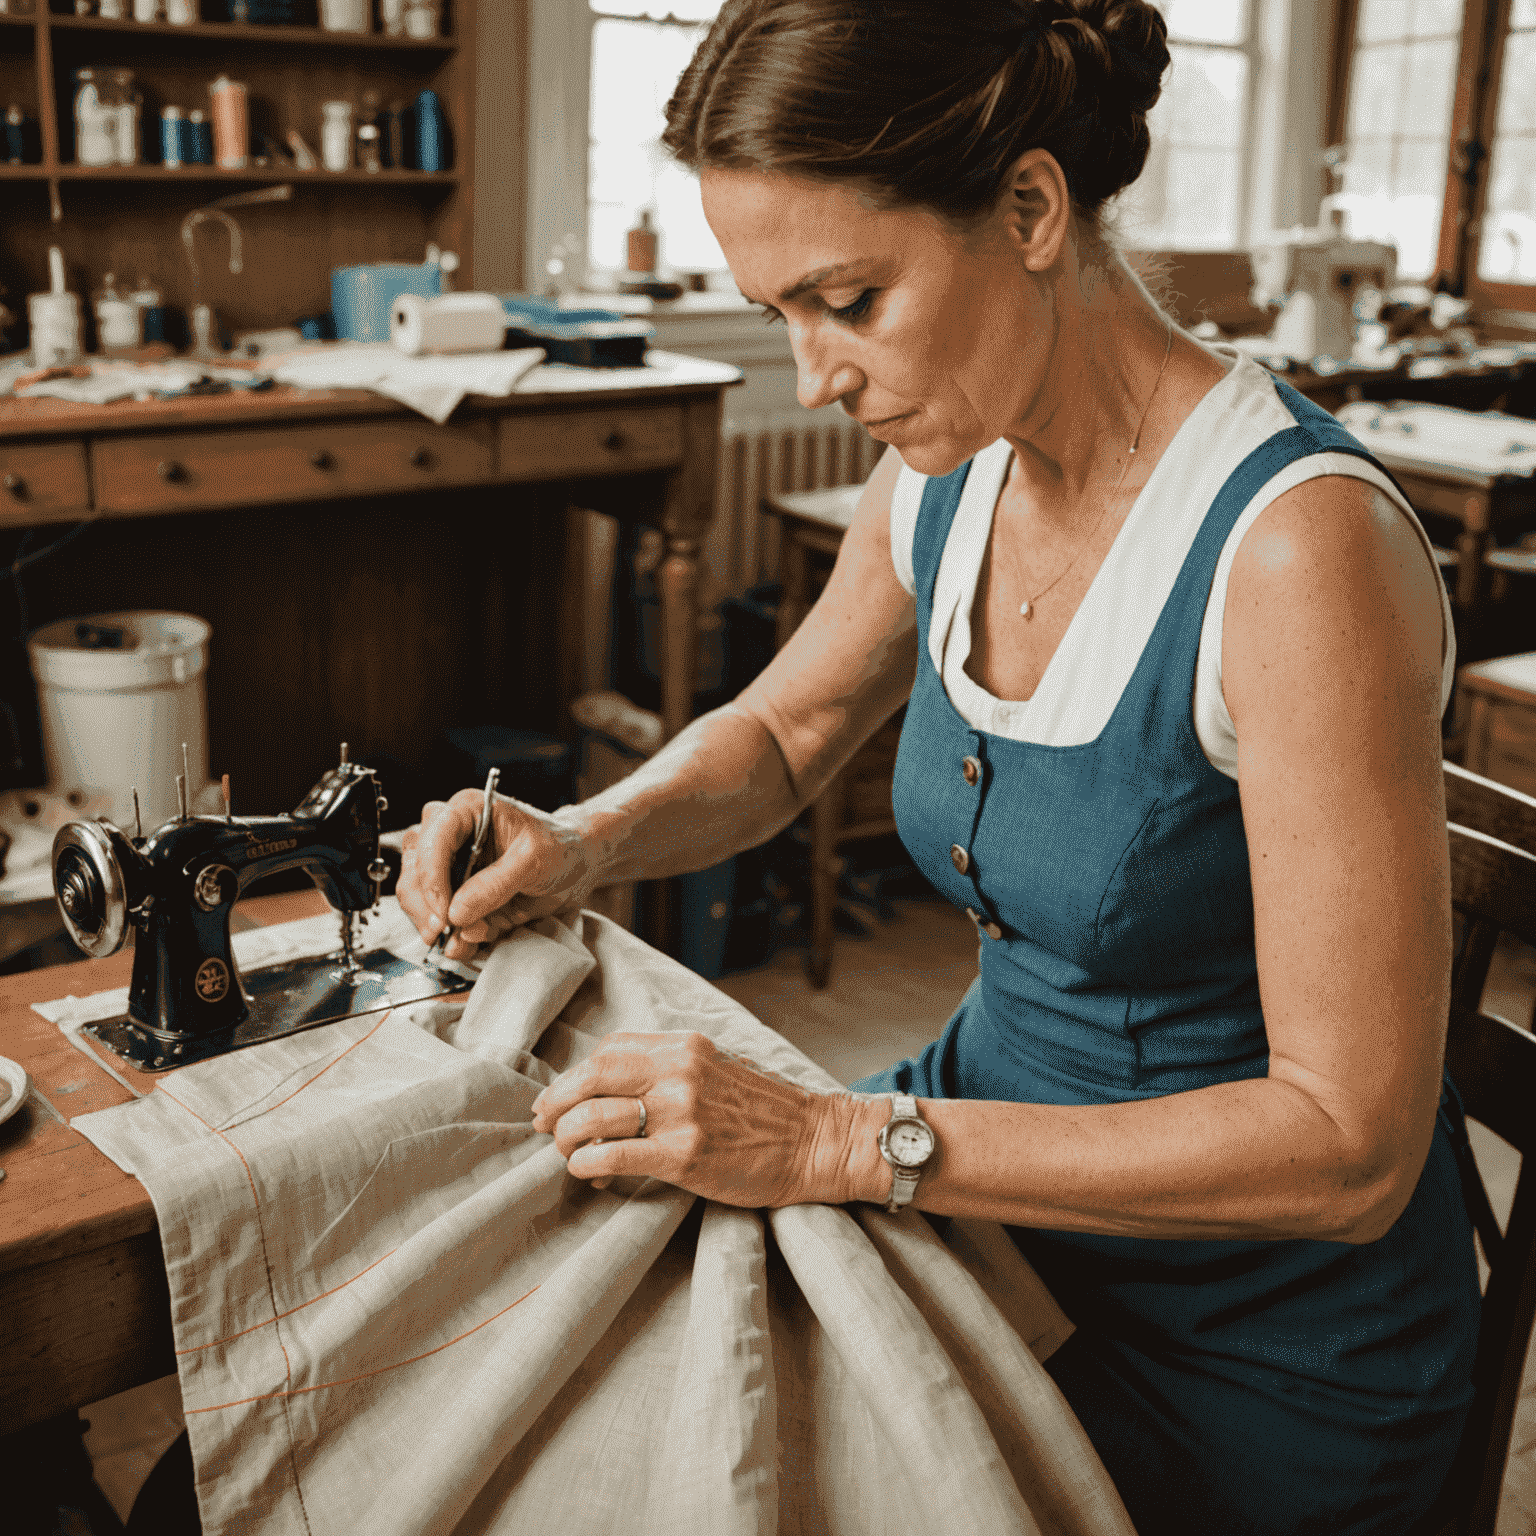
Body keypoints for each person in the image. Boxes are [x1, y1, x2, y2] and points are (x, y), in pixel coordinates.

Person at [399, 2, 1481, 1530]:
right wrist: (580, 839)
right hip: (998, 1222)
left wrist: (844, 1139)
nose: (815, 374)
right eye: (780, 310)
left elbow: (1351, 1147)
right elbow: (784, 732)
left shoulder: (1295, 553)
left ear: (1032, 210)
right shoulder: (953, 471)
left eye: (847, 298)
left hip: (1263, 1356)